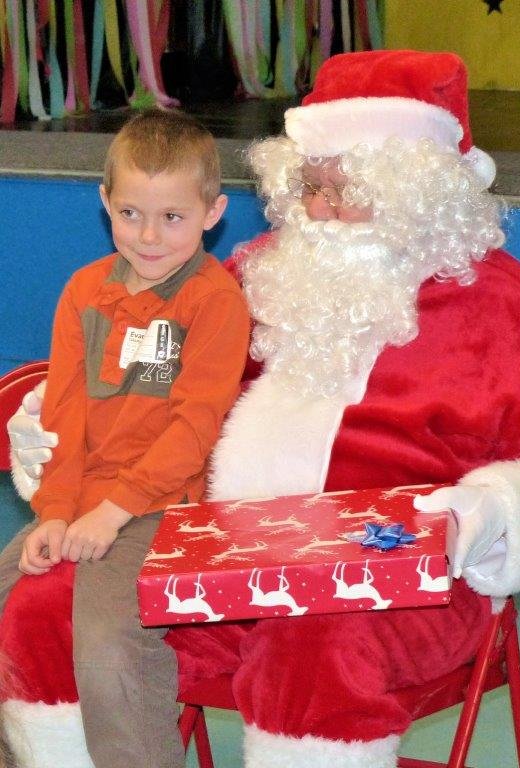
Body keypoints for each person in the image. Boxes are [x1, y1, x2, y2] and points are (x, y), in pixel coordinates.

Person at [4, 50, 520, 768]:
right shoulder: (254, 274)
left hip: (405, 585)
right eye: (309, 187)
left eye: (345, 191)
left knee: (314, 647)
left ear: (417, 192)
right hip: (213, 553)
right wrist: (49, 425)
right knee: (46, 606)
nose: (319, 211)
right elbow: (143, 389)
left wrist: (494, 510)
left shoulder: (501, 305)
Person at [0, 108, 250, 768]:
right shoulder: (85, 291)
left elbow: (193, 430)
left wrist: (112, 512)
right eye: (131, 213)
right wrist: (55, 513)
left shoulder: (214, 301)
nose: (148, 235)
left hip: (164, 508)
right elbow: (63, 413)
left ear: (212, 213)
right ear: (105, 201)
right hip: (84, 501)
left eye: (172, 217)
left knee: (107, 643)